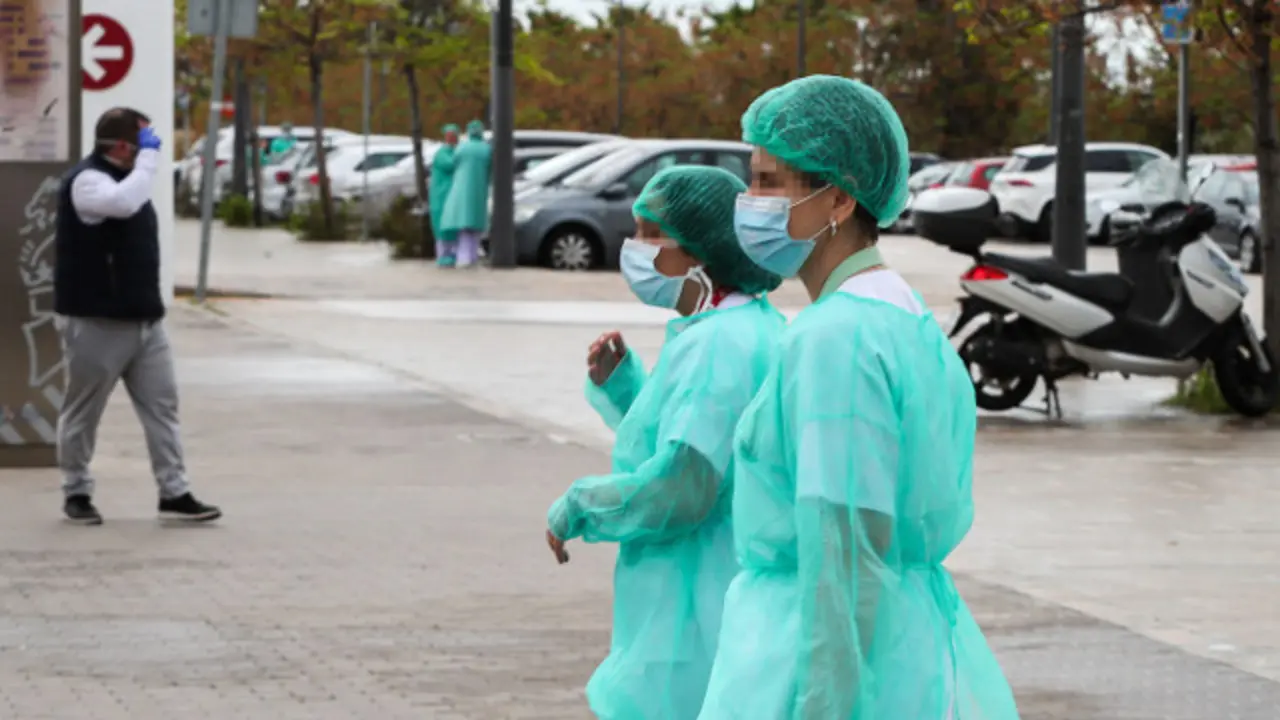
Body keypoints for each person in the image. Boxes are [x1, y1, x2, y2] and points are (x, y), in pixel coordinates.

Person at [697, 76, 1020, 719]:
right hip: (909, 654)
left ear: (838, 197)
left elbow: (844, 552)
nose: (749, 201)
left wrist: (824, 706)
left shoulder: (836, 339)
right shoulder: (903, 318)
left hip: (826, 670)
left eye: (768, 182)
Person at [546, 165, 785, 720]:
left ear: (701, 250)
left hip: (698, 597)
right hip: (708, 587)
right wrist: (625, 387)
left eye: (652, 234)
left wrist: (580, 506)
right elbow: (690, 439)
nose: (636, 248)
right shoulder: (736, 327)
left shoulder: (719, 345)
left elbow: (683, 487)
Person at [53, 107, 222, 526]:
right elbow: (124, 204)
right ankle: (76, 491)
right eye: (145, 140)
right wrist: (148, 160)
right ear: (125, 146)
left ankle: (174, 492)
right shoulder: (87, 182)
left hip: (146, 322)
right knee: (83, 411)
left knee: (163, 407)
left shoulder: (130, 181)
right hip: (97, 323)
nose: (154, 148)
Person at [439, 119, 491, 268]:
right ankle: (471, 257)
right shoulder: (486, 149)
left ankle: (463, 258)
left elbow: (453, 163)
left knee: (463, 223)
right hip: (480, 189)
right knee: (475, 226)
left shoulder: (462, 148)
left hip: (461, 189)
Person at [430, 123, 460, 267]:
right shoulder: (443, 154)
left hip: (449, 194)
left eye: (454, 135)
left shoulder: (453, 152)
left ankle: (452, 254)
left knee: (451, 224)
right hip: (441, 195)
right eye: (450, 136)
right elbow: (450, 165)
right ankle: (443, 255)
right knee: (443, 224)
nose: (453, 138)